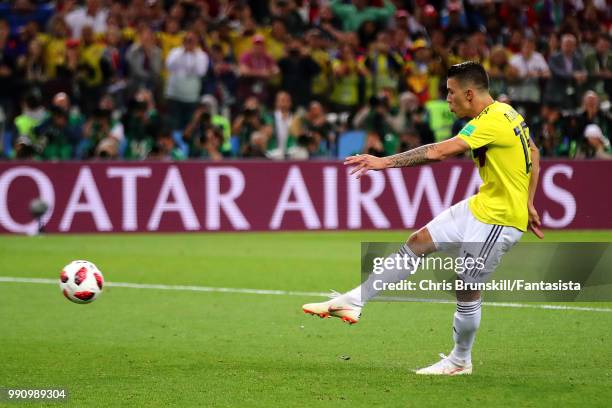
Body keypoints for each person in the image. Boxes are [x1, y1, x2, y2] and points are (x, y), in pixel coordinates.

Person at [302, 62, 542, 375]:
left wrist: (384, 162)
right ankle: (354, 301)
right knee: (417, 242)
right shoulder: (506, 113)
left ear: (470, 94)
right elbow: (533, 153)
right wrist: (529, 200)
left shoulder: (493, 119)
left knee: (467, 286)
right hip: (483, 206)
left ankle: (459, 361)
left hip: (498, 219)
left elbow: (439, 152)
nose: (447, 99)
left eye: (451, 93)